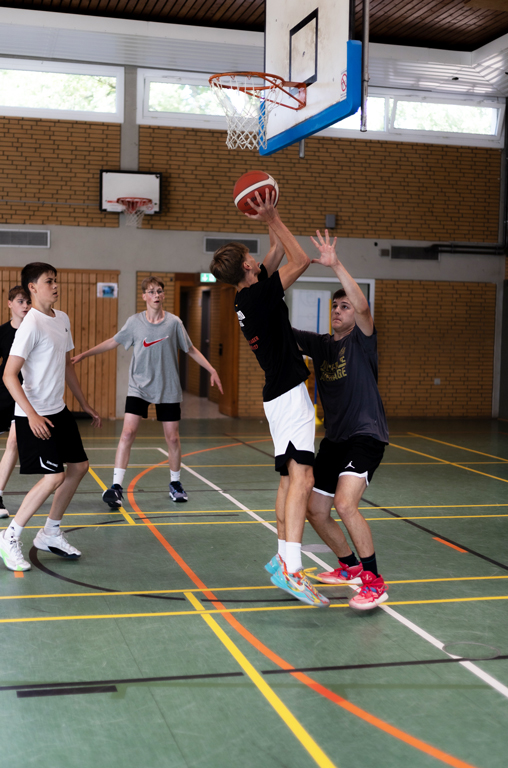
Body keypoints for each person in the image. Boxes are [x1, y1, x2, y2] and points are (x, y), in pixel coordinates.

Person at [210, 191, 329, 608]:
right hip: (289, 396)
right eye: (250, 258)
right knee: (304, 479)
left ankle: (282, 560)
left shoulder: (246, 295)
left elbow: (278, 251)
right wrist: (274, 215)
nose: (257, 260)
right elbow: (300, 259)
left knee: (287, 479)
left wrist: (268, 220)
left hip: (275, 396)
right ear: (246, 266)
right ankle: (293, 571)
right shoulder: (258, 295)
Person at [292, 230, 389, 610]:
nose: (339, 310)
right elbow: (283, 335)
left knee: (346, 505)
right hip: (334, 440)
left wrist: (335, 265)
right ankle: (348, 566)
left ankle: (374, 581)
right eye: (336, 306)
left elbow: (364, 307)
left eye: (344, 306)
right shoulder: (322, 345)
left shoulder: (361, 340)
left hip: (366, 436)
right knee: (316, 510)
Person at [72, 275, 223, 508]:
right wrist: (84, 354)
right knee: (127, 434)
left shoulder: (174, 323)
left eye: (160, 291)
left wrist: (211, 369)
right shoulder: (134, 323)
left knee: (172, 438)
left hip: (168, 388)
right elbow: (113, 341)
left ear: (163, 295)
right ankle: (116, 487)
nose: (156, 295)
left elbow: (191, 349)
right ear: (144, 296)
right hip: (139, 387)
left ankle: (175, 484)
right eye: (151, 292)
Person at [0, 262, 102, 573]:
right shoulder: (30, 324)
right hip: (34, 413)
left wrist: (83, 403)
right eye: (49, 281)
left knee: (80, 467)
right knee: (54, 476)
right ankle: (10, 536)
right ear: (32, 287)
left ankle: (51, 533)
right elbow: (9, 374)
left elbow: (67, 365)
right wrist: (30, 415)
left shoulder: (62, 319)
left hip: (58, 409)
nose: (55, 286)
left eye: (56, 280)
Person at [0, 285, 31, 518]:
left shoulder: (34, 330)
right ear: (10, 304)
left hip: (25, 395)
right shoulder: (2, 332)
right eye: (21, 301)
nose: (26, 306)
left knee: (13, 443)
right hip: (2, 393)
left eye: (28, 302)